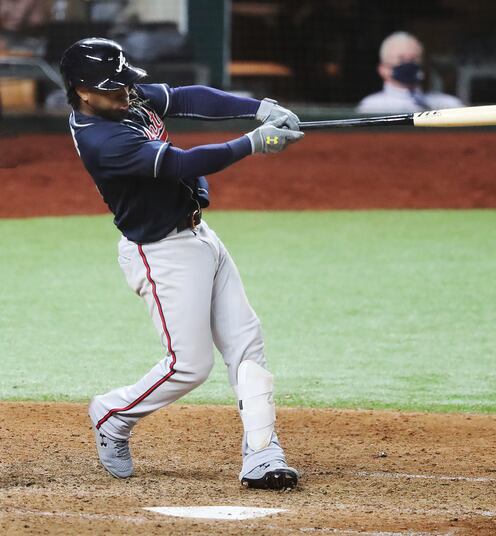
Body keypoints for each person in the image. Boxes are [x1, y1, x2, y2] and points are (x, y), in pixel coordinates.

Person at [60, 37, 304, 490]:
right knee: (188, 367)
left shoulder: (121, 100)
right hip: (161, 253)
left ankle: (262, 453)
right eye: (112, 89)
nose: (125, 93)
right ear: (82, 91)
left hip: (199, 236)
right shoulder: (102, 139)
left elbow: (189, 97)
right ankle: (112, 415)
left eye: (124, 85)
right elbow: (182, 161)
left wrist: (259, 107)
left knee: (246, 342)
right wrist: (253, 143)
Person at [357, 31, 462, 114]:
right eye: (401, 59)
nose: (408, 65)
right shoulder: (371, 107)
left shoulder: (449, 104)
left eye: (414, 59)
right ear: (383, 69)